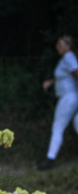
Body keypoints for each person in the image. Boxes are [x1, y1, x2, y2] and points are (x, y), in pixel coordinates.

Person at [38, 35, 78, 170]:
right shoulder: (66, 59)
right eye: (58, 44)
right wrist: (51, 82)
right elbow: (65, 75)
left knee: (57, 127)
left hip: (68, 98)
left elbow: (76, 72)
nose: (58, 47)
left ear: (68, 46)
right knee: (77, 122)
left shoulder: (68, 57)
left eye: (61, 44)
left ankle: (50, 159)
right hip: (71, 97)